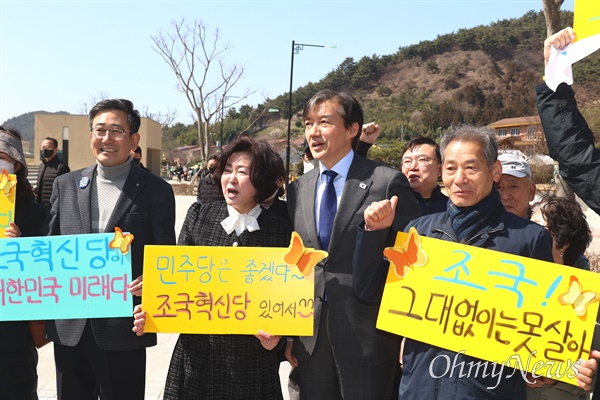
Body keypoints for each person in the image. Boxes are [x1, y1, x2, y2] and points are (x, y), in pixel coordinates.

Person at [354, 125, 558, 399]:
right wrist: (373, 234)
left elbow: (544, 328)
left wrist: (546, 364)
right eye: (451, 168)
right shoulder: (419, 231)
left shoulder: (530, 239)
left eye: (471, 168)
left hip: (488, 390)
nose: (459, 179)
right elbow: (369, 290)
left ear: (494, 171)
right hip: (421, 387)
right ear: (442, 173)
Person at [133, 137, 292, 399]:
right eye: (227, 170)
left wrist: (281, 336)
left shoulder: (282, 230)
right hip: (197, 357)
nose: (231, 178)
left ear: (261, 180)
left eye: (242, 172)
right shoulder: (199, 215)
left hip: (251, 363)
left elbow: (288, 297)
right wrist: (151, 308)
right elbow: (175, 281)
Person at [285, 89, 420, 399]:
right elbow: (296, 261)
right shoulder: (298, 189)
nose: (313, 132)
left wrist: (406, 333)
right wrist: (290, 332)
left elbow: (408, 263)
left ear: (352, 130)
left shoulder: (386, 182)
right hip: (311, 337)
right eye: (308, 124)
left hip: (368, 336)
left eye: (324, 122)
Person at [46, 99, 176, 400]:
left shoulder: (156, 191)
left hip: (124, 329)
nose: (107, 138)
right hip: (70, 326)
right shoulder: (65, 185)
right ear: (90, 135)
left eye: (116, 130)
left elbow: (166, 257)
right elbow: (49, 245)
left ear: (134, 140)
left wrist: (153, 283)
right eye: (100, 130)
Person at [526, 195, 592, 400]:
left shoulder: (588, 298)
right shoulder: (515, 284)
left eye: (539, 229)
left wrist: (585, 372)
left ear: (564, 244)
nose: (529, 235)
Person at [0, 126, 49, 400]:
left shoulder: (36, 213)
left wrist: (23, 249)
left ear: (16, 163)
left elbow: (48, 271)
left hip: (12, 335)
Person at [401, 136, 447, 215]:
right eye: (407, 161)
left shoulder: (453, 208)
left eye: (422, 160)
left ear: (440, 169)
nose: (412, 167)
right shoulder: (394, 207)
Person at [496, 153, 536, 219]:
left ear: (531, 192)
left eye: (513, 187)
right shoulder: (478, 226)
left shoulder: (543, 227)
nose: (505, 196)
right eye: (498, 187)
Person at [34, 137, 70, 209]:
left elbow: (66, 191)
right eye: (43, 147)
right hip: (40, 209)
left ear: (55, 150)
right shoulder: (41, 166)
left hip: (54, 209)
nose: (45, 149)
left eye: (48, 147)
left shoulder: (62, 167)